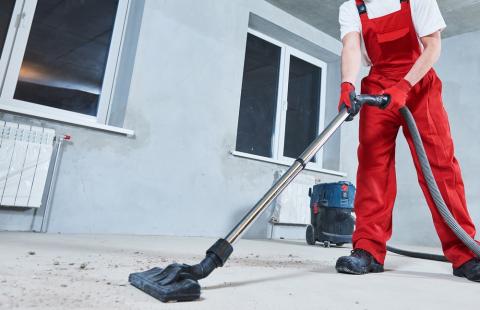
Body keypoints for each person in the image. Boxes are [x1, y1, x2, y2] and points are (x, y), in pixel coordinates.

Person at [334, 0, 480, 282]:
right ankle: (367, 250)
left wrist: (404, 86)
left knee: (440, 167)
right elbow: (351, 47)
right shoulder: (351, 7)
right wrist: (347, 84)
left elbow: (433, 46)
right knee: (373, 168)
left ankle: (465, 253)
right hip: (377, 85)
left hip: (419, 85)